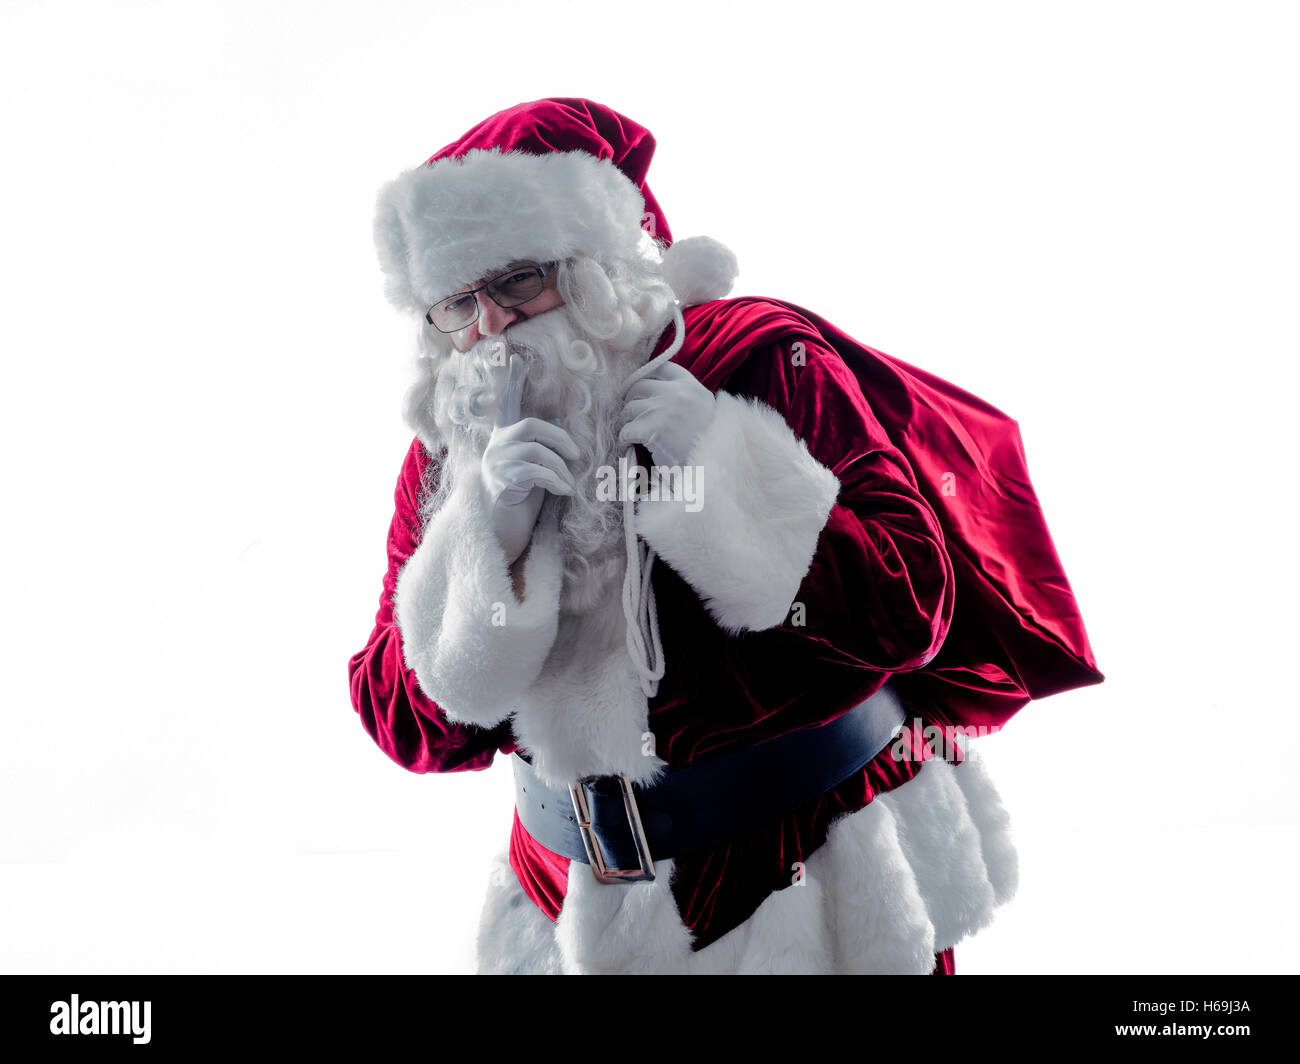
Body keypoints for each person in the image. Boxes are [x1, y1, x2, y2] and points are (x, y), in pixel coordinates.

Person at [348, 98, 1104, 975]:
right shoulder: (454, 451)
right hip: (563, 904)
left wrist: (724, 465)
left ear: (594, 264)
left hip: (803, 886)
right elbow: (411, 728)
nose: (493, 329)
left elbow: (909, 611)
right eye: (457, 305)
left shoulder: (751, 353)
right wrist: (491, 544)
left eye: (519, 282)